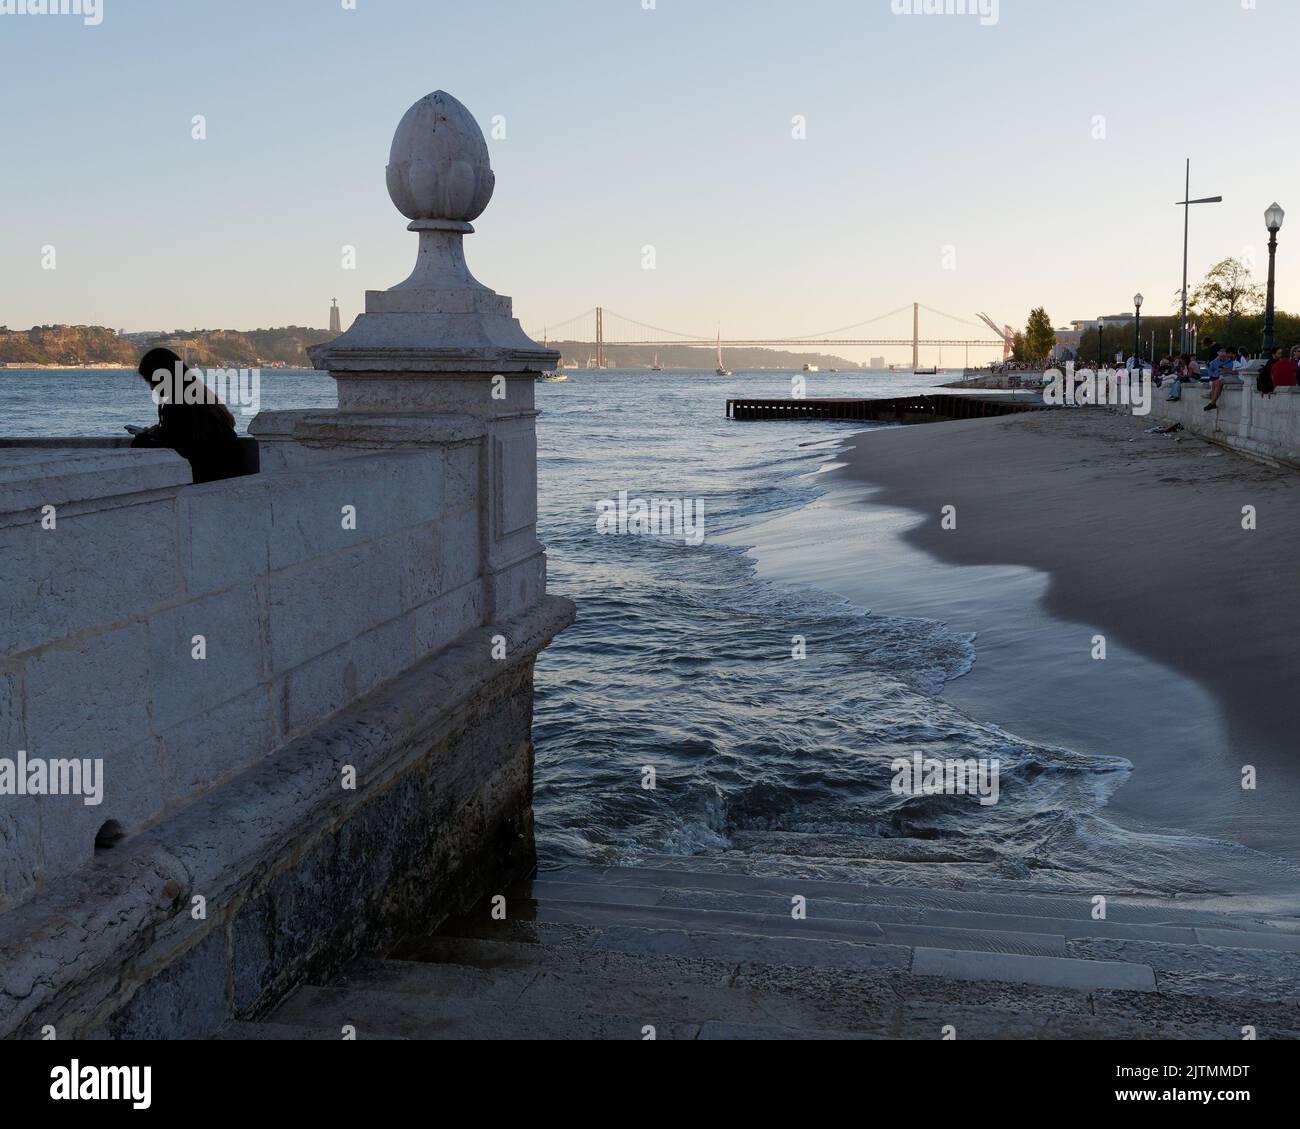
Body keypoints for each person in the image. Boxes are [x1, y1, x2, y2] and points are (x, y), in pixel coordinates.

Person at [131, 347, 244, 483]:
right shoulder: (203, 398)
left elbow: (175, 448)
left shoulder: (177, 404)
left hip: (206, 479)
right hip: (230, 474)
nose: (152, 388)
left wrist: (142, 438)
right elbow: (190, 437)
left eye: (152, 381)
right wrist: (161, 432)